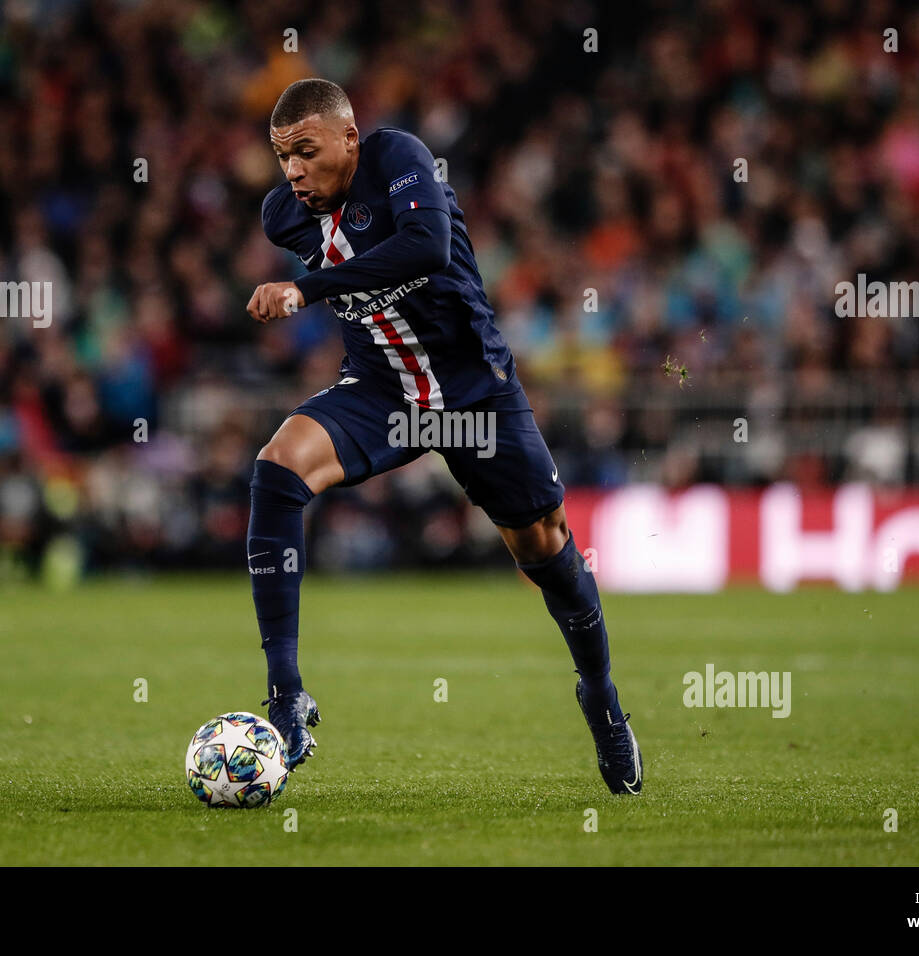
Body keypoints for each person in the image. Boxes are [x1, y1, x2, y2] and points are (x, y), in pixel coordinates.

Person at [246, 78, 641, 794]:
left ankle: (601, 698)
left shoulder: (399, 157)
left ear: (348, 138)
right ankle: (286, 696)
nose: (294, 172)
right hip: (382, 392)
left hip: (473, 393)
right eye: (283, 158)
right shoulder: (284, 217)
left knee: (543, 545)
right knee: (278, 468)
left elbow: (427, 248)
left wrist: (309, 288)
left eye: (306, 152)